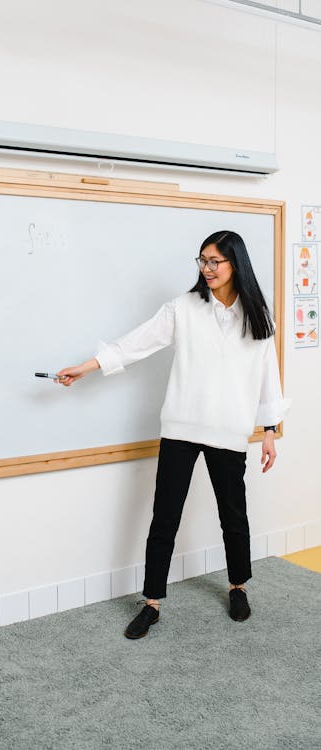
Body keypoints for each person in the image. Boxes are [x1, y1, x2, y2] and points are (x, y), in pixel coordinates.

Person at [56, 230, 290, 640]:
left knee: (233, 517)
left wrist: (270, 431)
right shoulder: (183, 308)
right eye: (202, 260)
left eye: (215, 261)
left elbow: (268, 377)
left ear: (236, 263)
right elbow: (136, 343)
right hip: (182, 427)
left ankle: (238, 587)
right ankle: (152, 603)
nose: (207, 268)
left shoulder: (258, 316)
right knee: (165, 517)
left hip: (230, 431)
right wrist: (88, 366)